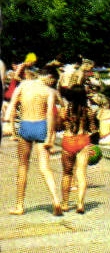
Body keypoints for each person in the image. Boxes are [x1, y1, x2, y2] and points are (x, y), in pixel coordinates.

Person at [4, 64, 62, 216]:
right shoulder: (48, 91)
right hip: (42, 125)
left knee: (23, 166)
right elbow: (50, 114)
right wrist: (50, 136)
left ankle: (19, 206)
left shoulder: (24, 85)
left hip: (26, 125)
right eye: (53, 80)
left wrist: (11, 127)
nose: (53, 83)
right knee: (45, 167)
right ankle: (56, 200)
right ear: (48, 77)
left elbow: (12, 104)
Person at [57, 86, 96, 215]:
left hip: (68, 140)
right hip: (82, 140)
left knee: (67, 174)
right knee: (81, 174)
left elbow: (58, 127)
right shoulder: (88, 111)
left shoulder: (65, 110)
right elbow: (93, 129)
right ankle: (80, 203)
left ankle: (65, 203)